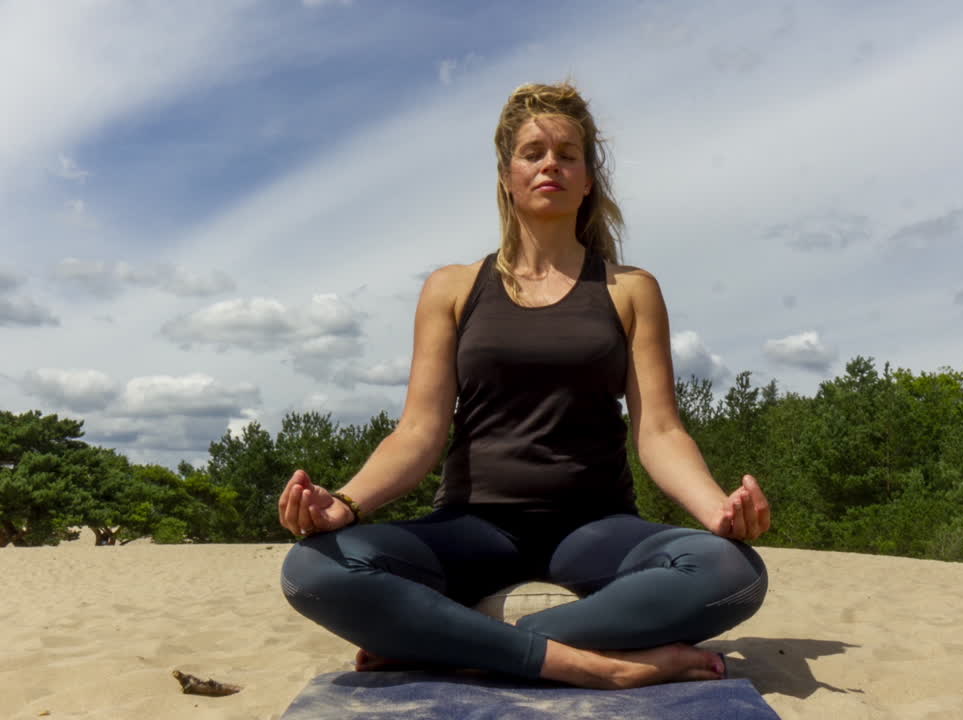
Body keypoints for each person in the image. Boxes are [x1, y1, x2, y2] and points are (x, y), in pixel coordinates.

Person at [278, 81, 771, 690]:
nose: (551, 165)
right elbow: (419, 431)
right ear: (507, 175)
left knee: (733, 571)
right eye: (533, 152)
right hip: (472, 527)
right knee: (314, 569)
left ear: (588, 179)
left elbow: (660, 431)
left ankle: (449, 648)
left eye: (568, 154)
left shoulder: (631, 289)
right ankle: (589, 666)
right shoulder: (452, 288)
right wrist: (345, 504)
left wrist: (716, 511)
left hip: (596, 528)